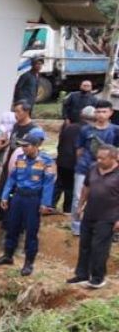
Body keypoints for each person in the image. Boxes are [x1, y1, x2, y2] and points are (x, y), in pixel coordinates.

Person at [0, 127, 56, 276]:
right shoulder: (20, 160)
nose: (23, 149)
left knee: (31, 231)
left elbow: (48, 184)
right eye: (22, 146)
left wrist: (45, 204)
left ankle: (28, 263)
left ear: (35, 146)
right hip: (18, 197)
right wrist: (6, 196)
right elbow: (11, 179)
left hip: (33, 199)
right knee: (12, 226)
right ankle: (8, 255)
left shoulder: (46, 161)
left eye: (26, 146)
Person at [70, 144, 119, 289]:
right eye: (97, 157)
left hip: (108, 217)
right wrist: (80, 206)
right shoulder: (93, 168)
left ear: (113, 158)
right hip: (90, 213)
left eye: (103, 158)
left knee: (99, 248)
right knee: (84, 245)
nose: (99, 160)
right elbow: (86, 188)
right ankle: (82, 274)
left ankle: (98, 278)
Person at [72, 101, 119, 236]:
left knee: (106, 198)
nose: (100, 115)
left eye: (104, 112)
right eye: (98, 111)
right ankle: (77, 227)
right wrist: (80, 163)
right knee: (78, 196)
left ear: (110, 113)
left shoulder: (115, 130)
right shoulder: (86, 130)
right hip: (85, 166)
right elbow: (79, 149)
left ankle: (104, 227)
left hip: (108, 171)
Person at [55, 106, 88, 212]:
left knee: (59, 184)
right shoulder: (87, 130)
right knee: (70, 187)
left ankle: (50, 204)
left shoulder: (69, 127)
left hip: (62, 160)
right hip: (73, 162)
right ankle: (67, 209)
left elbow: (60, 143)